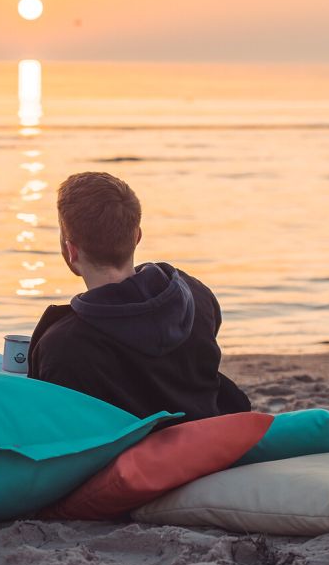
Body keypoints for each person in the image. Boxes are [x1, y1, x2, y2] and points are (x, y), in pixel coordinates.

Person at [25, 171, 251, 421]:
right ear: (137, 236)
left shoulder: (62, 344)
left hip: (133, 452)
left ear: (71, 250)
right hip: (202, 433)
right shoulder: (195, 296)